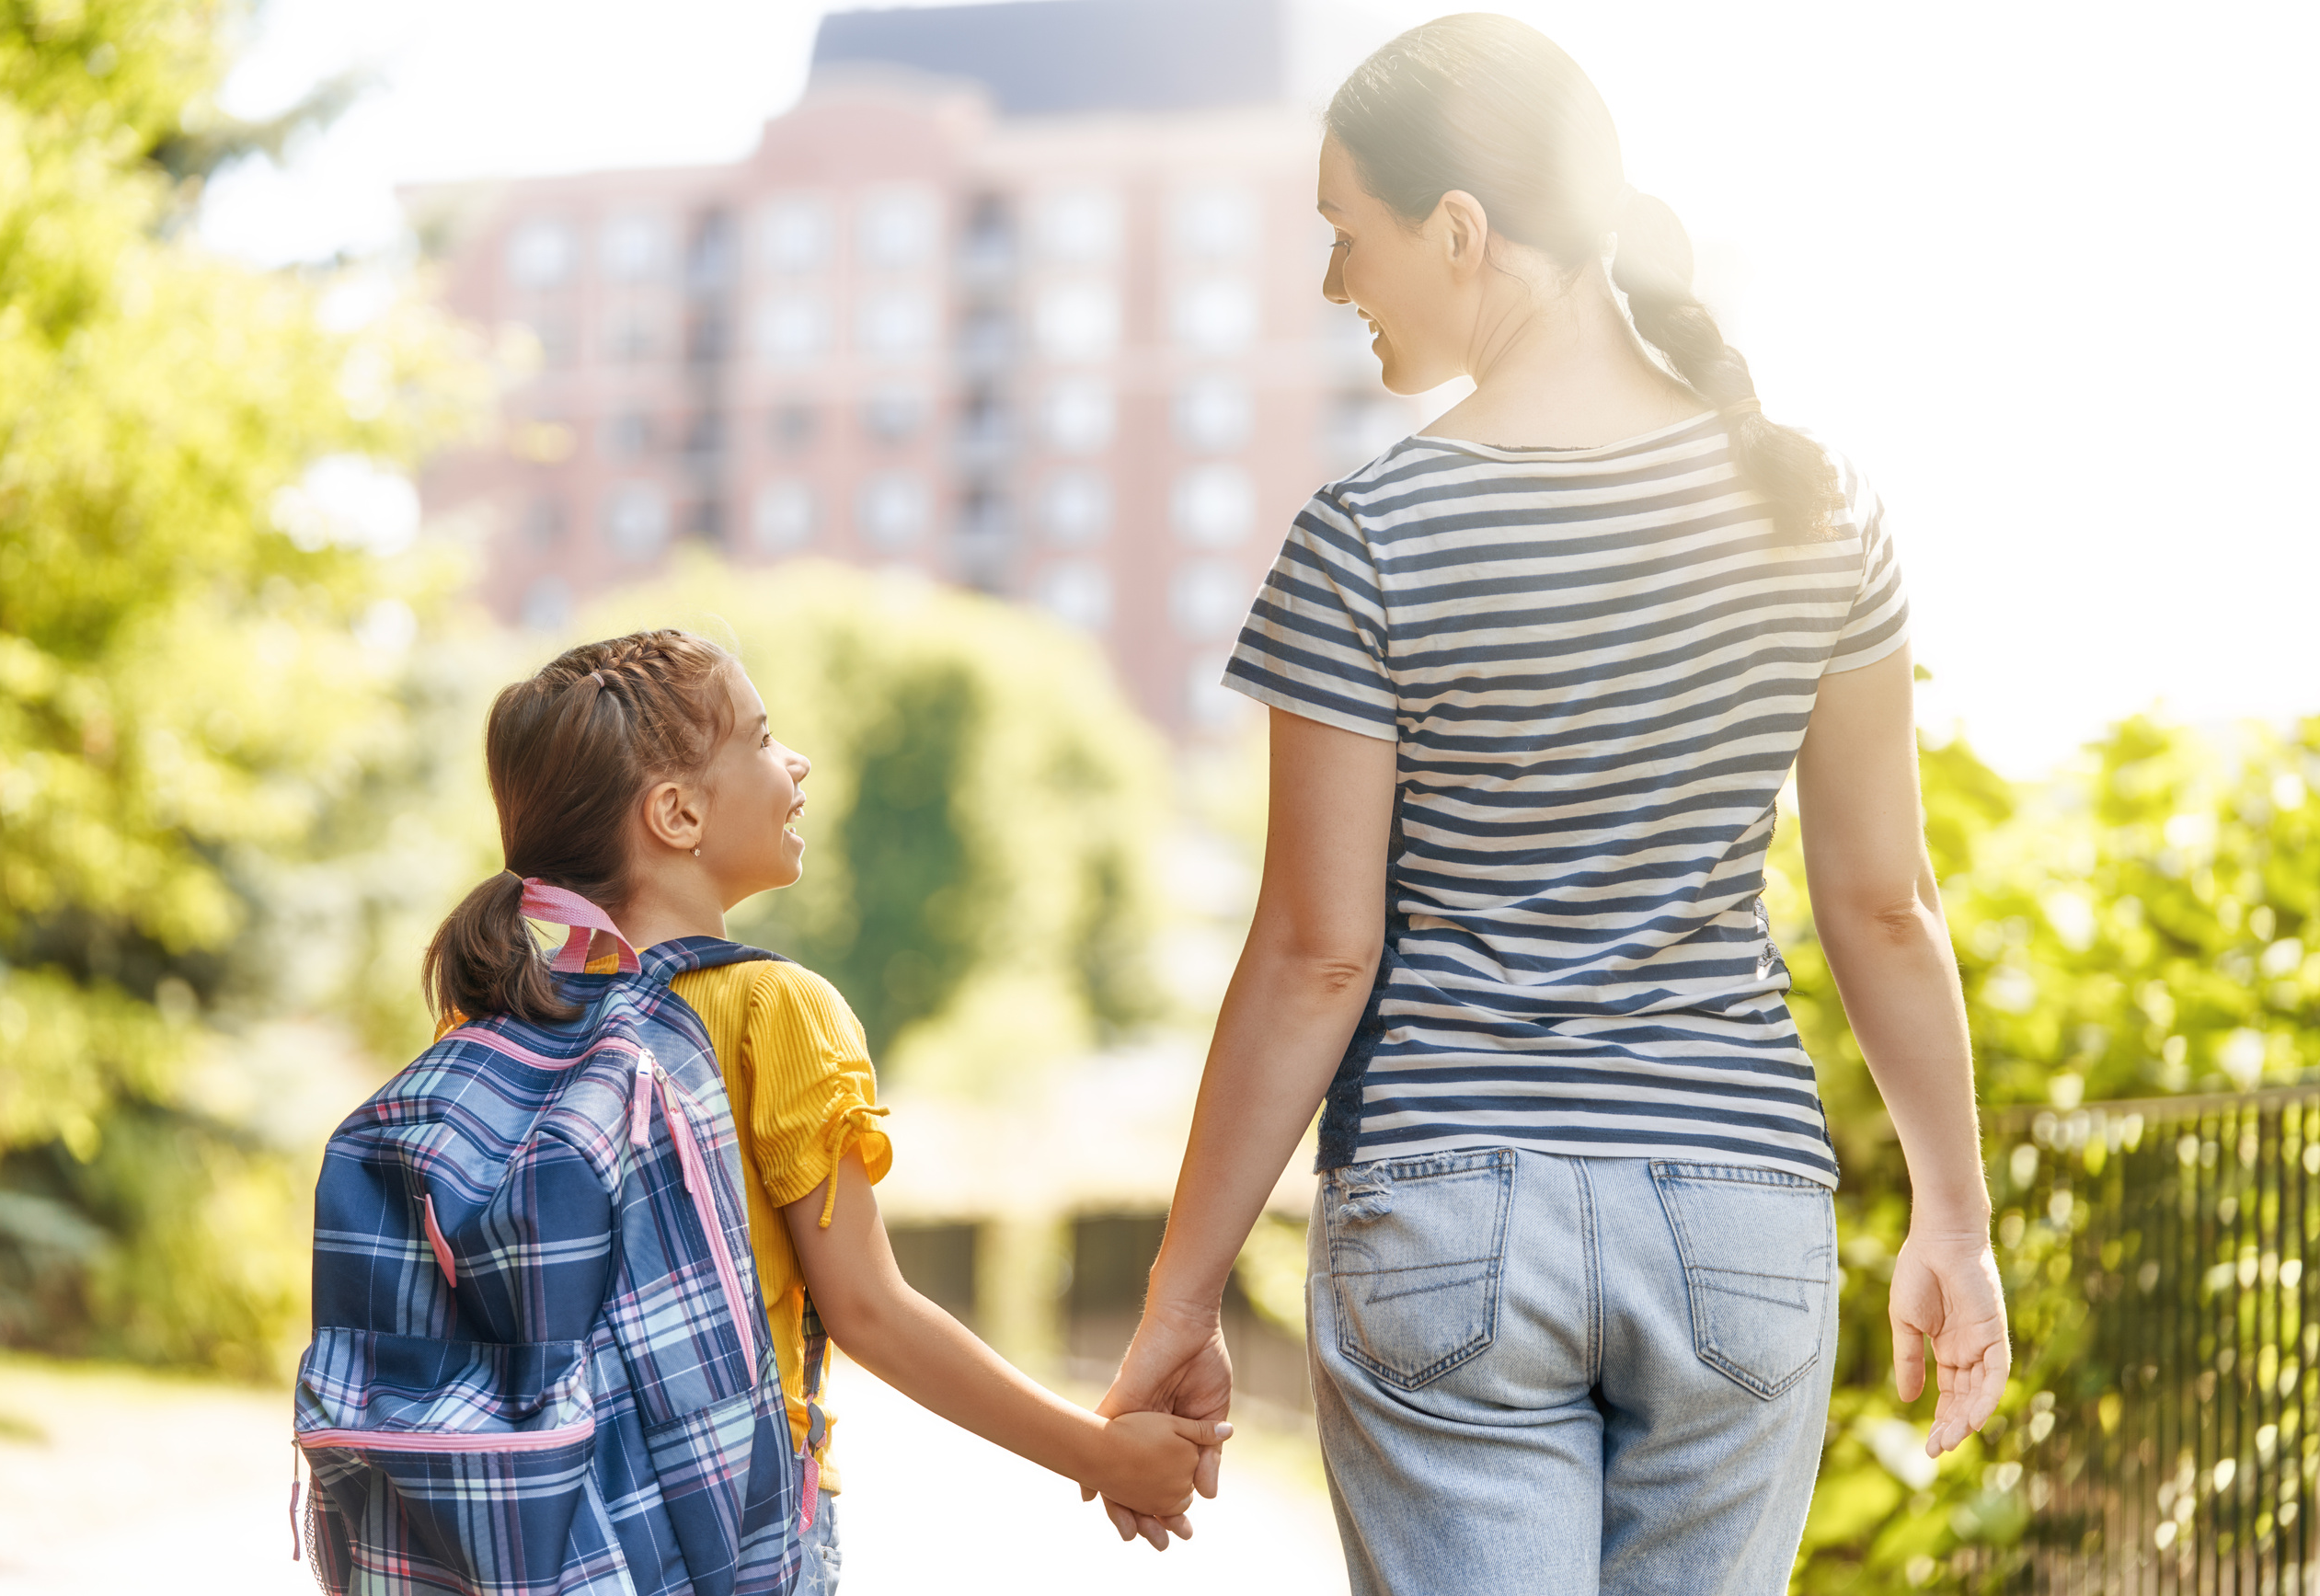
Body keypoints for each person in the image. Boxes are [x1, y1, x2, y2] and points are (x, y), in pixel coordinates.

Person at [1091, 15, 2009, 1591]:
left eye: (1345, 233)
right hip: (1738, 1212)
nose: (1332, 284)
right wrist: (1957, 1221)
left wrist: (1178, 1300)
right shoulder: (1815, 508)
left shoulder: (1370, 535)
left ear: (1460, 228)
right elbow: (1883, 904)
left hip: (1453, 1219)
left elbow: (1319, 954)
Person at [427, 629, 1226, 1592]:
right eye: (763, 740)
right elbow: (870, 1310)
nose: (795, 760)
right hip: (718, 1530)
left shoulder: (491, 1019)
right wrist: (1098, 1452)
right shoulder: (772, 1010)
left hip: (528, 1526)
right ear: (676, 813)